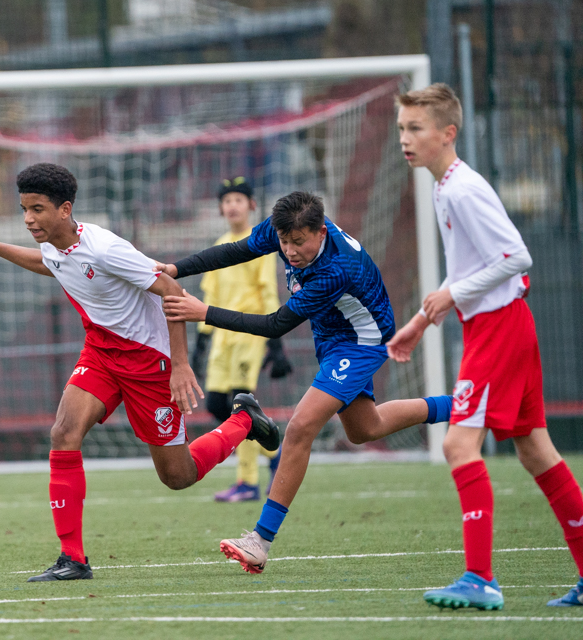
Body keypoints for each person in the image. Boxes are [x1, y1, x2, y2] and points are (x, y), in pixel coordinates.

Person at [0, 163, 280, 582]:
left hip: (149, 363)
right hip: (101, 353)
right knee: (64, 433)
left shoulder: (105, 248)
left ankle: (245, 419)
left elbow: (171, 289)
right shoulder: (53, 242)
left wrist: (179, 365)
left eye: (37, 209)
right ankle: (73, 559)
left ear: (65, 209)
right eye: (23, 209)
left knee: (178, 476)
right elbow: (49, 264)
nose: (28, 219)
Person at [158, 190, 453, 574]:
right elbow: (235, 251)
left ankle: (259, 542)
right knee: (367, 428)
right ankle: (463, 403)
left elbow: (275, 324)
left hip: (362, 341)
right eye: (284, 242)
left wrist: (204, 312)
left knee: (300, 427)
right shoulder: (284, 228)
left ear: (321, 232)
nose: (290, 250)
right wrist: (175, 269)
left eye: (299, 243)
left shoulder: (336, 268)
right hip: (332, 334)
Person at [389, 83, 583, 610]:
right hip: (501, 324)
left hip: (499, 328)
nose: (405, 138)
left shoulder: (462, 189)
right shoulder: (443, 186)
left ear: (447, 133)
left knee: (458, 446)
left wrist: (451, 294)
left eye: (416, 128)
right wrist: (419, 323)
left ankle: (480, 579)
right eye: (402, 128)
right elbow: (469, 271)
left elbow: (516, 256)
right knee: (535, 449)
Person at [191, 177, 291, 503]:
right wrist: (201, 344)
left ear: (251, 205)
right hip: (222, 337)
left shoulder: (259, 244)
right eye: (227, 200)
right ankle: (270, 451)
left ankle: (247, 482)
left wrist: (275, 344)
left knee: (239, 405)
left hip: (250, 333)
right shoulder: (220, 246)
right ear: (221, 207)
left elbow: (268, 292)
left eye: (239, 199)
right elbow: (210, 296)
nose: (233, 205)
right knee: (217, 405)